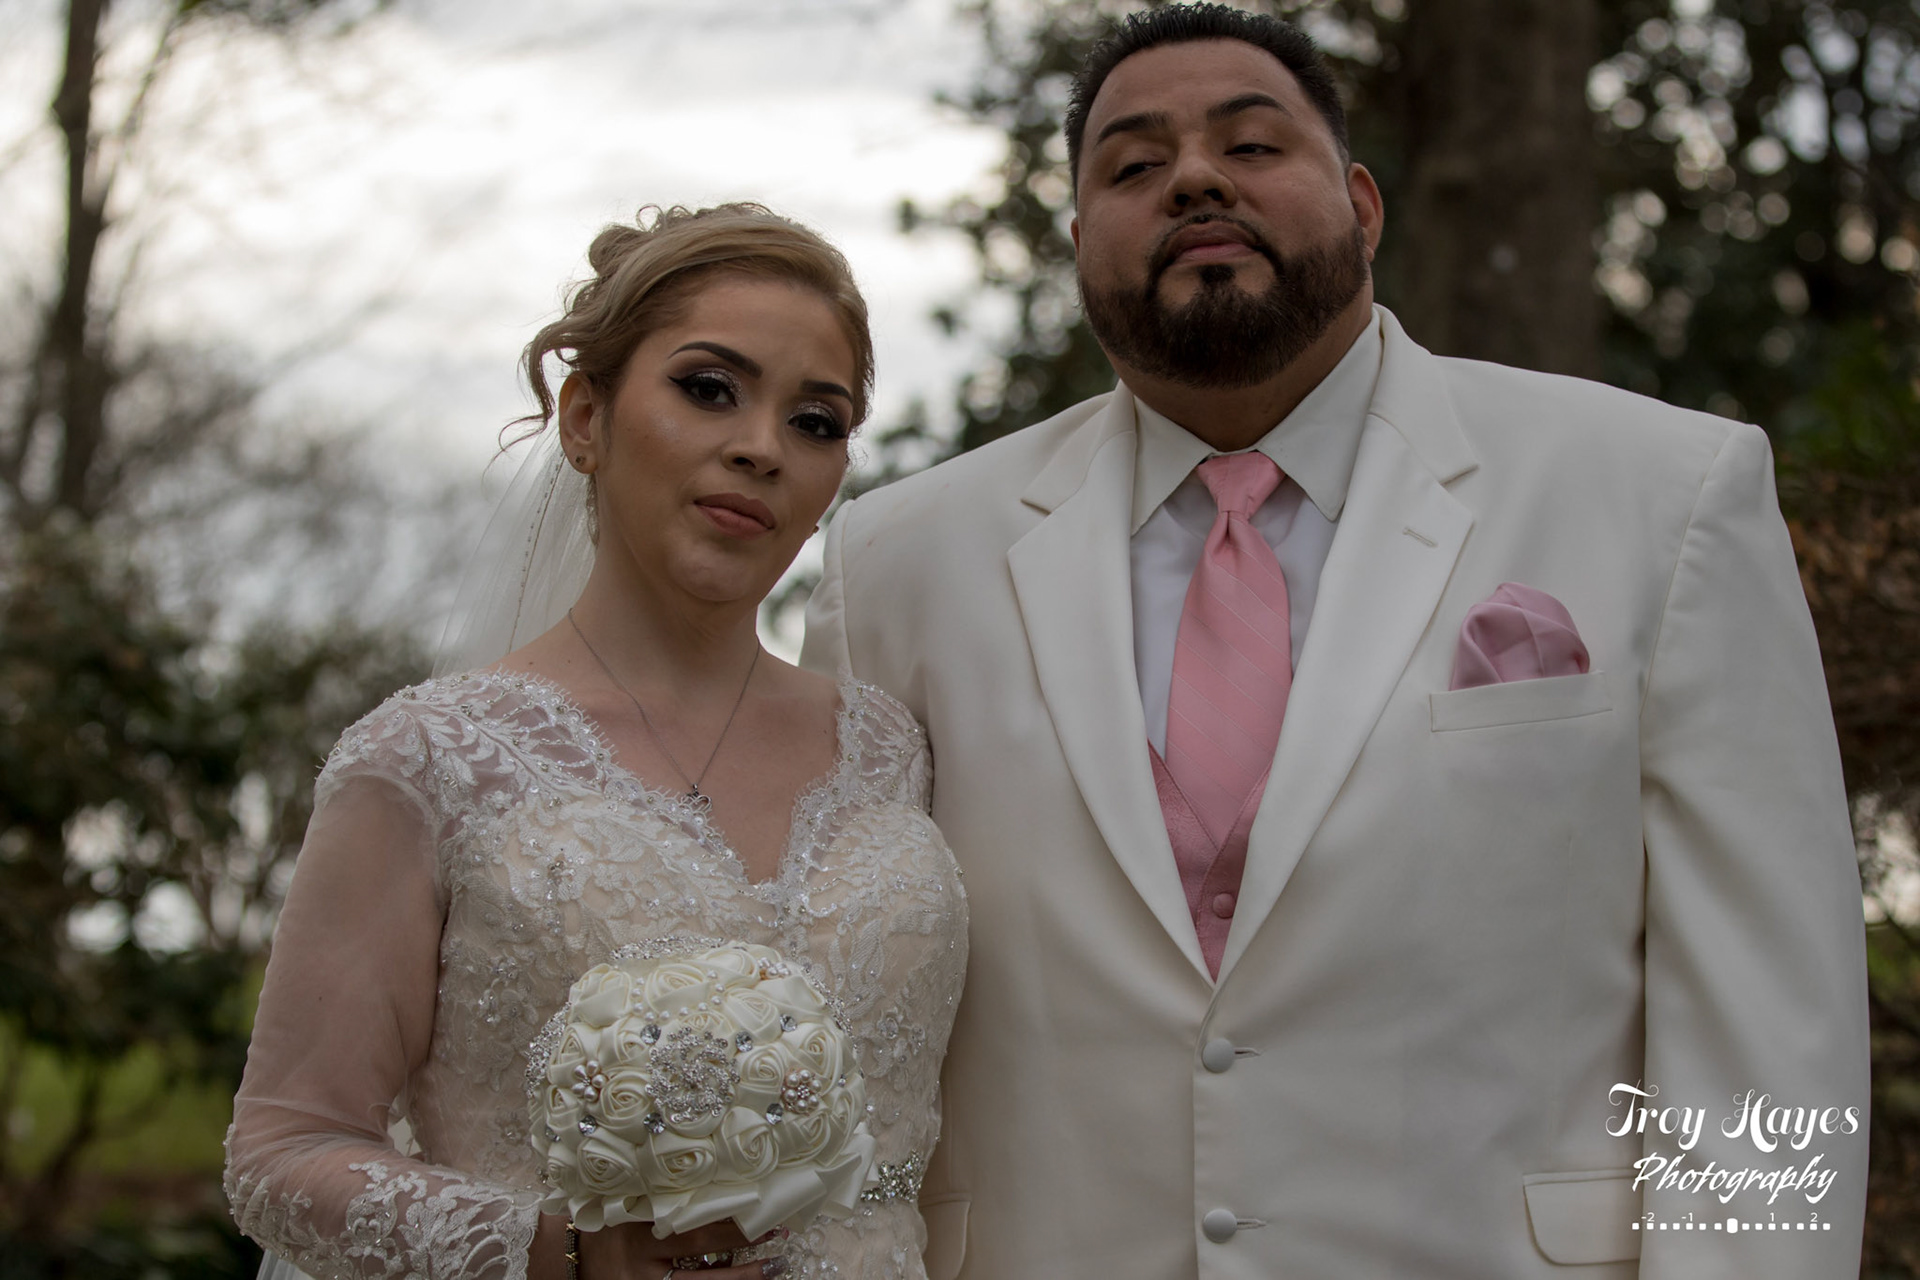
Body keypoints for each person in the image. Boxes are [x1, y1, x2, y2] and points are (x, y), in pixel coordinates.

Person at [801, 6, 1870, 1278]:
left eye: (1252, 145)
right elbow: (844, 1015)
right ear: (1079, 245)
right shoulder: (896, 562)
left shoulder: (1664, 493)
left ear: (1363, 207)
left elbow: (1769, 1021)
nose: (1194, 178)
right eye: (1134, 166)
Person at [225, 204, 967, 1280]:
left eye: (817, 421)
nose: (761, 447)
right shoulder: (431, 757)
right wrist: (558, 1249)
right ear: (584, 418)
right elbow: (280, 1152)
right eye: (708, 388)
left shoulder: (892, 747)